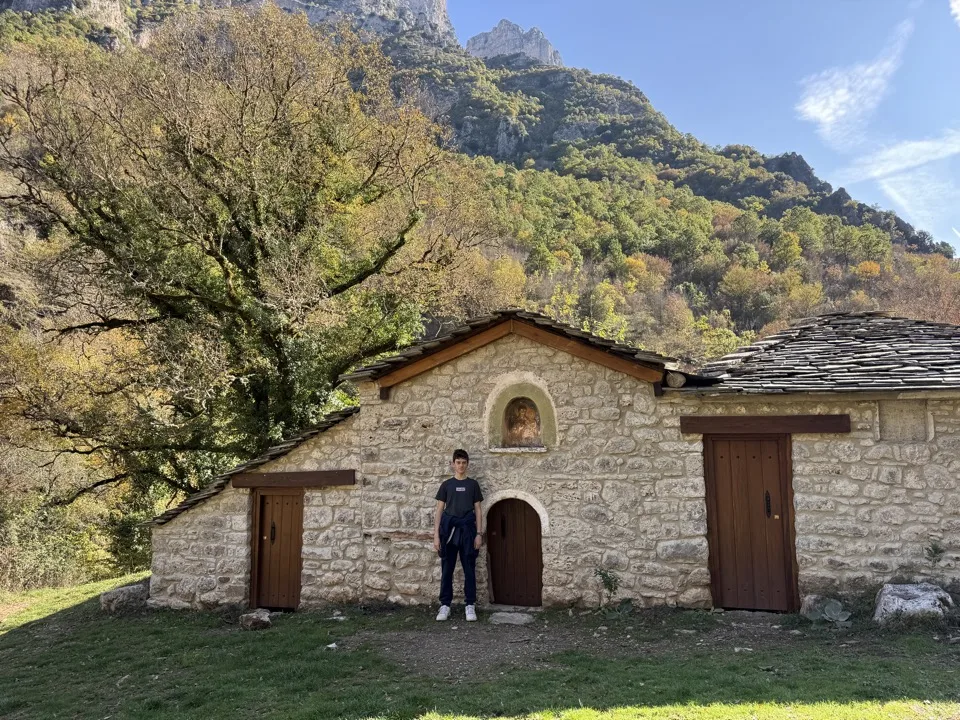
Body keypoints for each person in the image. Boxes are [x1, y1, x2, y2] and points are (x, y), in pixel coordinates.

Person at [433, 448, 483, 621]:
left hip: (468, 530)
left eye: (464, 463)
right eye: (458, 462)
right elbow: (439, 510)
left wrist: (479, 533)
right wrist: (436, 536)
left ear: (467, 464)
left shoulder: (473, 485)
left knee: (469, 568)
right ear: (453, 464)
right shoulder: (446, 485)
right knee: (447, 568)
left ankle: (470, 605)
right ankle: (445, 605)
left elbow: (478, 510)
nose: (461, 465)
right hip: (449, 531)